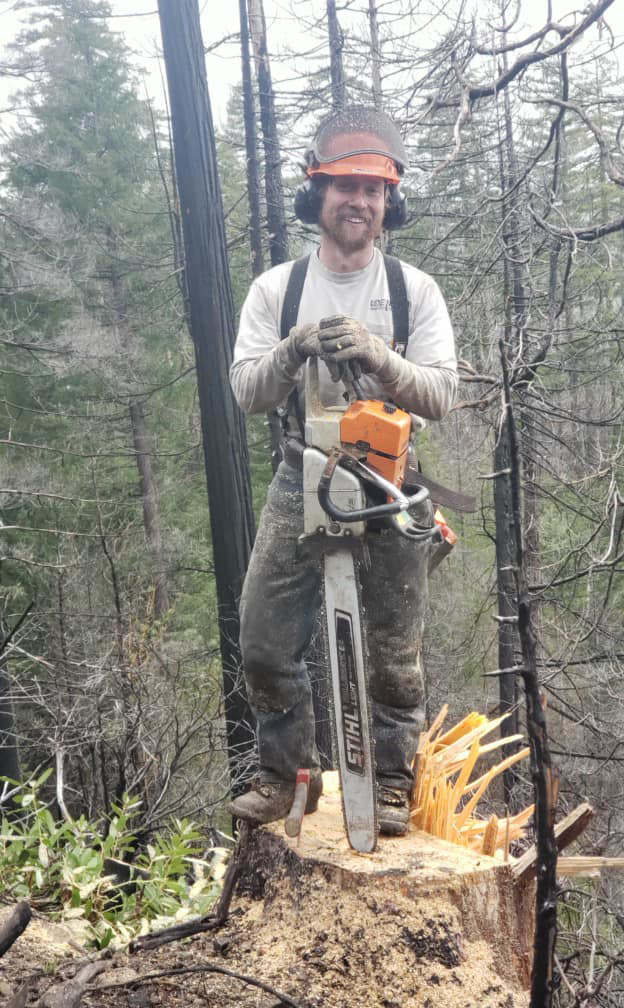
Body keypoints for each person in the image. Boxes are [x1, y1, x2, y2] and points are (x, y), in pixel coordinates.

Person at [228, 106, 457, 836]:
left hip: (391, 475)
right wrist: (295, 348)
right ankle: (291, 776)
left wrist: (378, 357)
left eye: (373, 190)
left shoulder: (413, 289)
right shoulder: (277, 291)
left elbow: (442, 394)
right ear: (317, 196)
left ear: (390, 202)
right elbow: (246, 391)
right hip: (304, 473)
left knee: (396, 649)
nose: (359, 201)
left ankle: (392, 781)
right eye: (345, 187)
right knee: (265, 639)